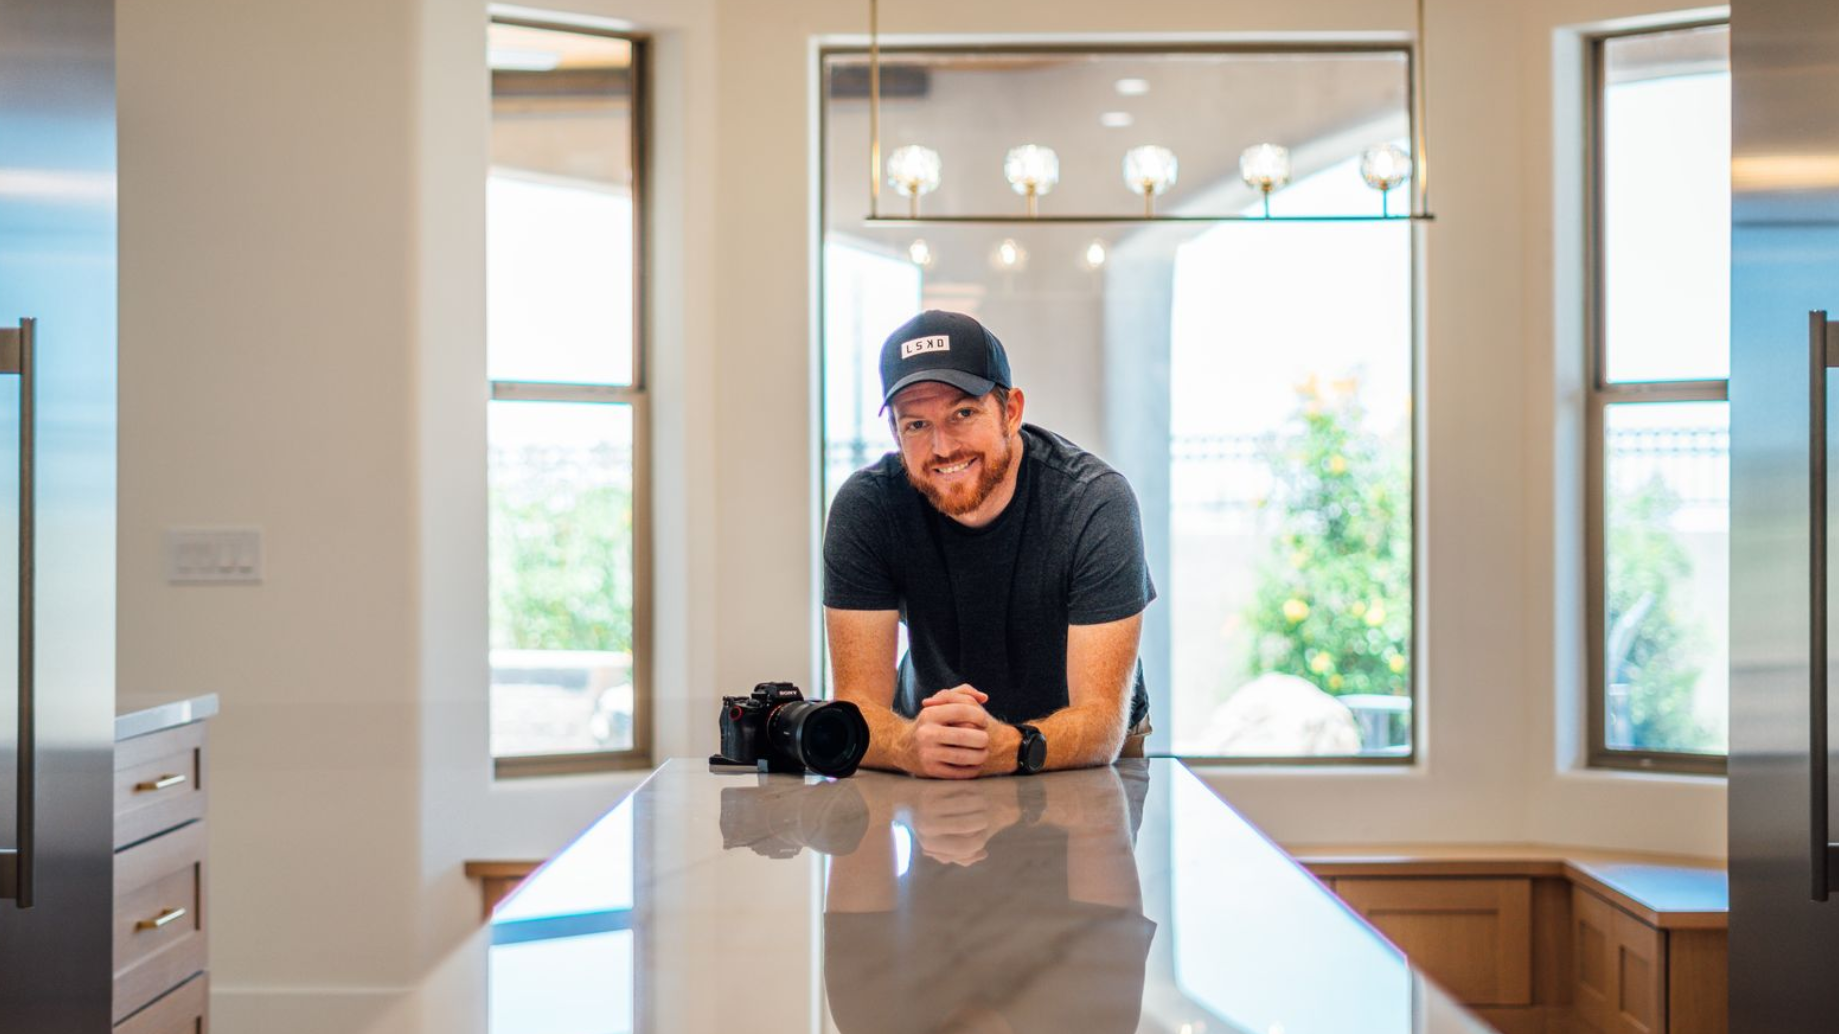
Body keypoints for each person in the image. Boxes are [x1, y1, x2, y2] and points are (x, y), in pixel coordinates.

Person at [823, 310, 1156, 779]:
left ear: (1012, 411)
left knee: (1087, 844)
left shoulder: (1094, 502)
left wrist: (1010, 747)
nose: (942, 447)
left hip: (1088, 744)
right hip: (932, 737)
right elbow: (857, 706)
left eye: (963, 413)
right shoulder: (868, 507)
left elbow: (1101, 720)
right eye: (916, 424)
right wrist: (904, 744)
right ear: (895, 433)